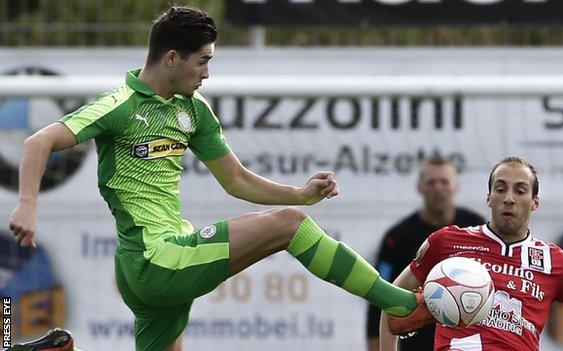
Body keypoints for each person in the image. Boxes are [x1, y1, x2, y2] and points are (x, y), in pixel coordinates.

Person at [7, 6, 425, 351]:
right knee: (290, 225)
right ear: (172, 58)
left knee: (294, 214)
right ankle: (403, 304)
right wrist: (27, 203)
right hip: (155, 260)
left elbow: (237, 181)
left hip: (158, 267)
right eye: (202, 60)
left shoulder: (193, 110)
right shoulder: (119, 105)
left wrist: (300, 193)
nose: (206, 73)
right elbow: (37, 142)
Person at [379, 156, 563, 351]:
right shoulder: (446, 242)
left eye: (520, 190)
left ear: (534, 202)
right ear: (489, 197)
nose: (509, 198)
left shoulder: (556, 262)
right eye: (500, 189)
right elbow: (390, 302)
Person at [366, 156, 484, 351]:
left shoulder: (475, 227)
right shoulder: (397, 237)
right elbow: (380, 293)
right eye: (431, 182)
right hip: (416, 341)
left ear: (455, 186)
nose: (438, 188)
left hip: (466, 340)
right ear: (419, 187)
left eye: (444, 181)